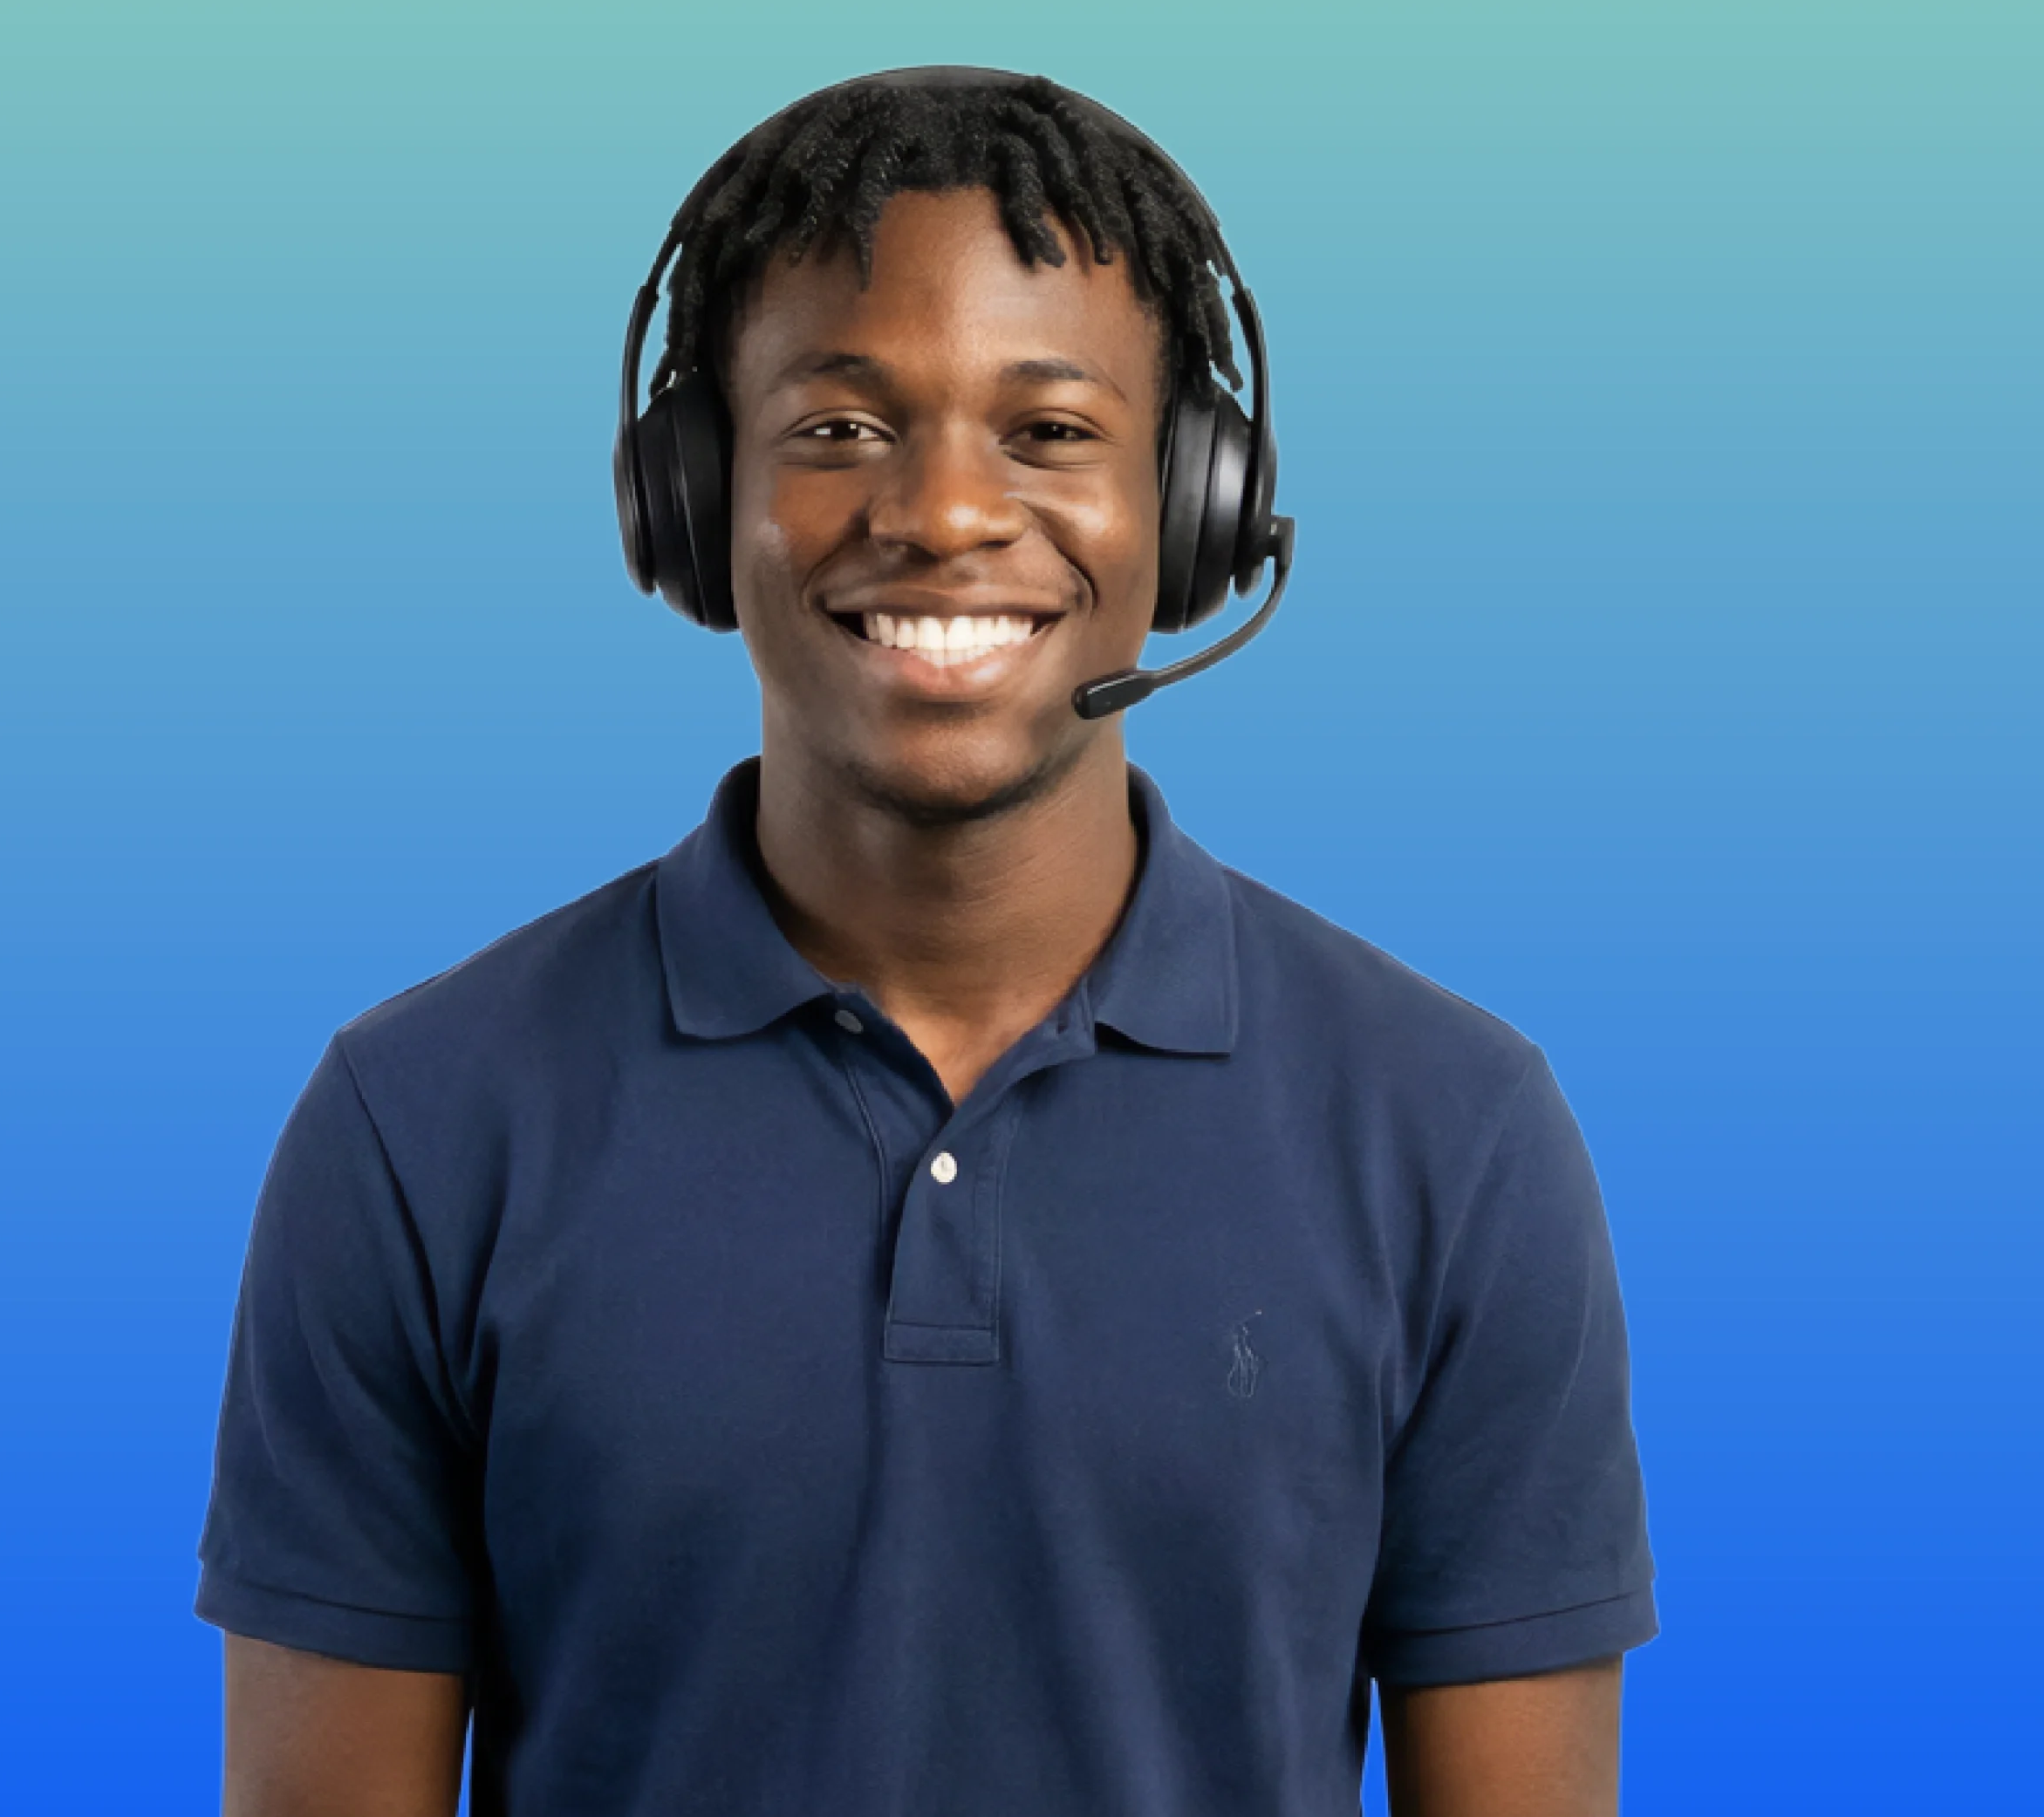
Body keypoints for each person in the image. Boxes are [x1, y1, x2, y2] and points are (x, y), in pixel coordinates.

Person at [196, 66, 1656, 1817]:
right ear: (684, 499)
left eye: (1047, 429)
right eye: (837, 426)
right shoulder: (416, 1122)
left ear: (1193, 507)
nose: (942, 513)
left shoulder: (1451, 1131)